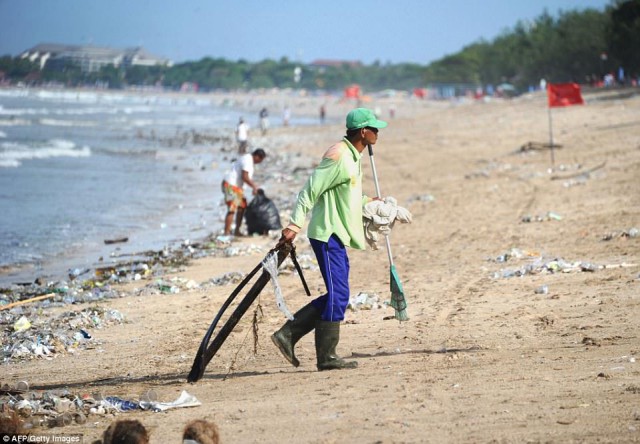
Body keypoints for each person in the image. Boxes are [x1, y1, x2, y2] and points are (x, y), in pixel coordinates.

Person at [272, 108, 387, 371]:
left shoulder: (353, 156)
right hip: (326, 234)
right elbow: (309, 190)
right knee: (339, 294)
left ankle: (289, 335)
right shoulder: (338, 156)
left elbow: (348, 195)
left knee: (339, 294)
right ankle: (325, 356)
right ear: (363, 132)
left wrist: (370, 202)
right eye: (375, 129)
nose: (378, 133)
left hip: (338, 234)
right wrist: (294, 224)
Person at [221, 148, 266, 236]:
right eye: (260, 160)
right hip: (230, 185)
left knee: (242, 207)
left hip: (237, 187)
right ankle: (226, 233)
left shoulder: (249, 160)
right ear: (257, 156)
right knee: (232, 209)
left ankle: (237, 231)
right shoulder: (247, 160)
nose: (259, 162)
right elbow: (245, 177)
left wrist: (252, 188)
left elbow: (245, 178)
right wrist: (254, 187)